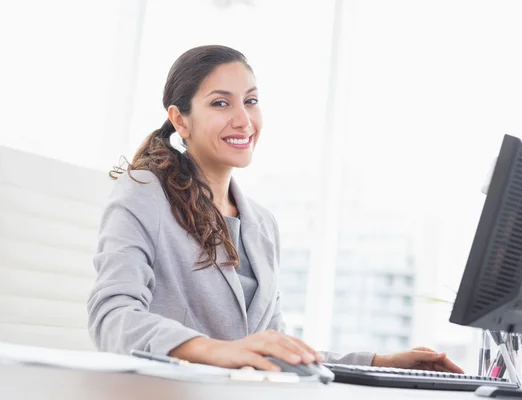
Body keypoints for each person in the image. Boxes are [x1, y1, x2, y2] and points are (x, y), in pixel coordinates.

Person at [87, 44, 463, 374]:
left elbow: (275, 347)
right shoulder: (144, 191)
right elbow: (113, 317)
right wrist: (220, 351)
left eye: (250, 101)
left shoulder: (262, 225)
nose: (243, 119)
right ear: (180, 119)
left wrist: (379, 363)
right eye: (221, 103)